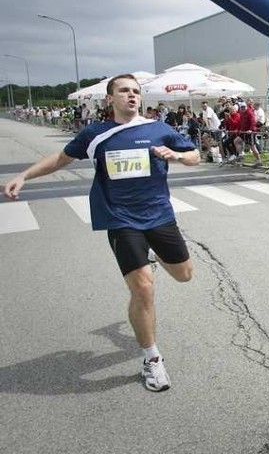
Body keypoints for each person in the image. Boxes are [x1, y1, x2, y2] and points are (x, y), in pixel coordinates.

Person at [3, 73, 200, 393]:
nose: (132, 96)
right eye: (124, 91)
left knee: (185, 275)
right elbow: (60, 159)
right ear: (110, 98)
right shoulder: (96, 134)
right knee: (144, 290)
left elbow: (194, 155)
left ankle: (155, 255)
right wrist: (24, 175)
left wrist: (176, 155)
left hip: (159, 216)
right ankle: (152, 358)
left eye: (136, 92)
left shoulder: (158, 129)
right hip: (120, 218)